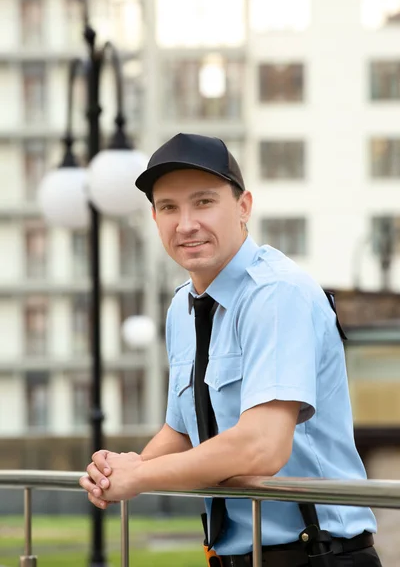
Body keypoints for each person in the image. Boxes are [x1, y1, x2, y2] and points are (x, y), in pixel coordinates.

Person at [79, 133, 382, 566]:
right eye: (169, 207)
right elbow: (184, 431)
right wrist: (119, 470)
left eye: (203, 202)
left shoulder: (277, 293)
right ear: (154, 217)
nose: (185, 224)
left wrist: (141, 476)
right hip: (233, 557)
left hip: (316, 554)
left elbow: (262, 447)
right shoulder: (181, 308)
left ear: (243, 207)